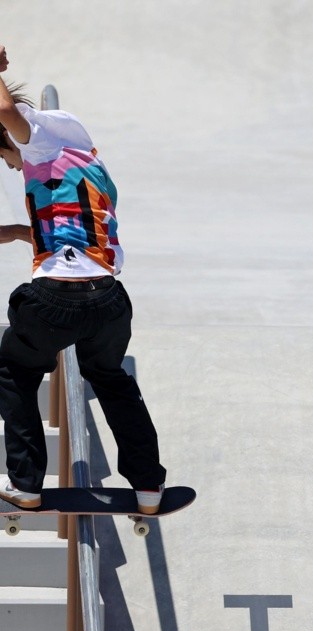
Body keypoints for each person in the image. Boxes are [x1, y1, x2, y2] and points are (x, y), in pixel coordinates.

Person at [0, 45, 166, 512]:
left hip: (55, 300)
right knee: (110, 378)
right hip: (108, 299)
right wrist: (16, 232)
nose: (12, 167)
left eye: (4, 156)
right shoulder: (78, 150)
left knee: (12, 372)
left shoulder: (35, 140)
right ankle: (148, 487)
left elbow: (5, 110)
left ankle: (27, 485)